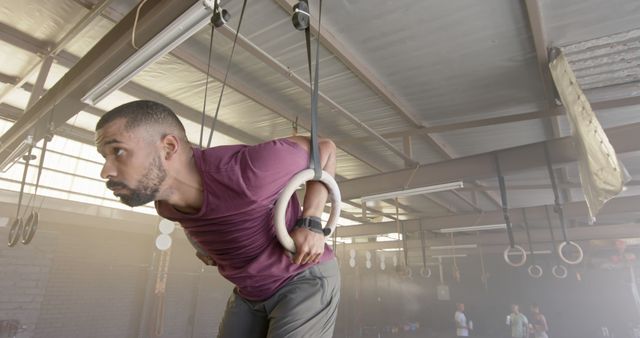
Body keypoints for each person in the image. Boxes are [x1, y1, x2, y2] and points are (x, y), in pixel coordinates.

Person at [95, 100, 340, 338]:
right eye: (104, 156)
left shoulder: (249, 172)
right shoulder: (166, 206)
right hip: (250, 291)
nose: (105, 171)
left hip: (301, 276)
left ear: (168, 147)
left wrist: (311, 221)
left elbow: (325, 149)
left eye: (118, 151)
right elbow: (204, 220)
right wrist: (205, 246)